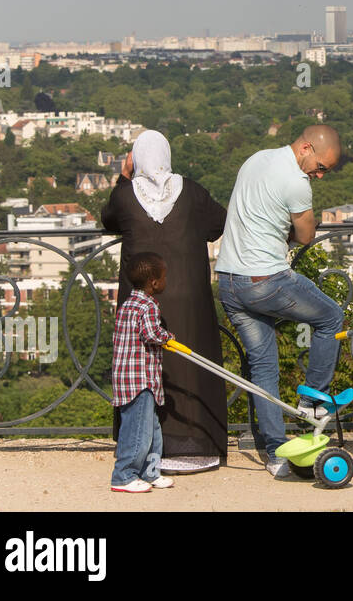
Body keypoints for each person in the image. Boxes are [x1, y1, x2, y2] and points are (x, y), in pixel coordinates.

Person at [215, 124, 344, 478]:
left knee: (263, 368)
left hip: (228, 281)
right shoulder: (296, 182)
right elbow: (305, 235)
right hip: (265, 281)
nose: (319, 176)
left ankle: (276, 454)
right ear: (305, 148)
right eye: (321, 168)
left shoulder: (256, 159)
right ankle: (314, 401)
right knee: (331, 317)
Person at [102, 130, 228, 474]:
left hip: (141, 296)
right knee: (192, 366)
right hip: (189, 294)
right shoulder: (193, 193)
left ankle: (143, 451)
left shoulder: (126, 197)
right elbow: (218, 223)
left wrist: (123, 177)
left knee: (143, 369)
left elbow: (107, 219)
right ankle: (198, 446)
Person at [111, 252, 175, 493]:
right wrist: (167, 337)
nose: (166, 280)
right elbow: (150, 334)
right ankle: (123, 475)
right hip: (139, 379)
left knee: (151, 428)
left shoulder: (128, 303)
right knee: (138, 430)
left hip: (130, 377)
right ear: (154, 283)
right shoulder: (147, 305)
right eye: (164, 276)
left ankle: (150, 472)